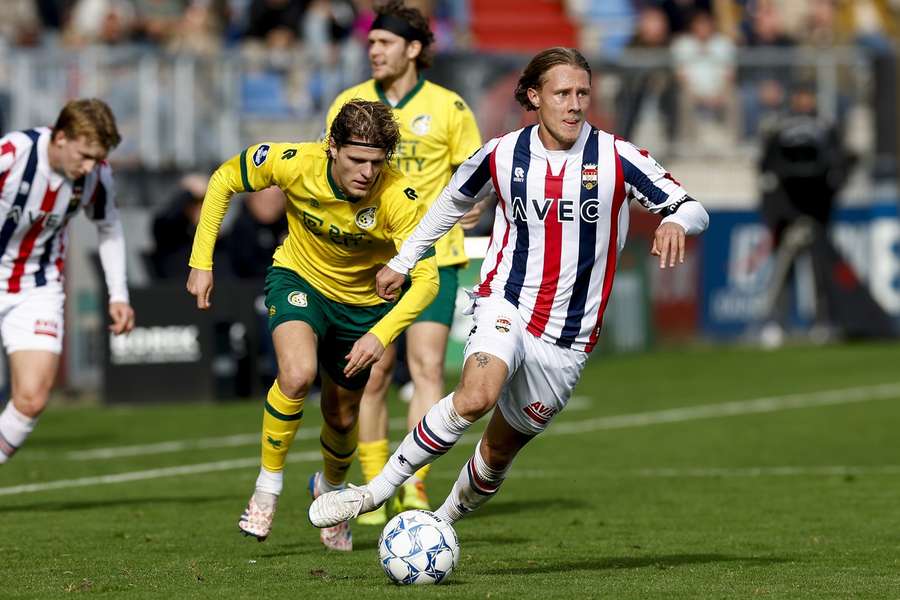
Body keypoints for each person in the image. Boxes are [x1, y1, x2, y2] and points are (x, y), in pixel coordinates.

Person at [309, 47, 709, 531]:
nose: (575, 104)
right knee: (475, 395)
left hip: (568, 339)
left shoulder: (618, 158)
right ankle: (374, 492)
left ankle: (441, 523)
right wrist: (403, 260)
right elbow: (448, 205)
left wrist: (676, 222)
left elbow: (692, 206)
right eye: (562, 93)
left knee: (497, 452)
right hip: (507, 302)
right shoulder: (502, 153)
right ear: (534, 96)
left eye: (583, 93)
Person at [186, 99, 438, 551]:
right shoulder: (293, 162)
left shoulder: (399, 197)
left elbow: (427, 280)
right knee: (297, 374)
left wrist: (380, 335)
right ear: (331, 148)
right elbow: (225, 178)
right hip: (298, 279)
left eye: (376, 163)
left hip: (362, 309)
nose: (366, 172)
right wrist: (201, 261)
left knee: (341, 417)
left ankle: (331, 491)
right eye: (356, 160)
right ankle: (266, 489)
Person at [324, 0, 482, 524]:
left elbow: (474, 178)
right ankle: (373, 485)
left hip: (438, 254)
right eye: (370, 43)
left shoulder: (450, 108)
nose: (373, 50)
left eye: (384, 43)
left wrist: (476, 206)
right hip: (371, 257)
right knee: (373, 373)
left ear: (413, 49)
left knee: (428, 367)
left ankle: (413, 484)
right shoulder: (349, 103)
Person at [0, 98, 135, 464]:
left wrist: (118, 295)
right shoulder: (13, 154)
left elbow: (108, 227)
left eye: (97, 158)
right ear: (60, 137)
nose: (90, 166)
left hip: (36, 287)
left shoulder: (96, 175)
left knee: (32, 398)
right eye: (84, 155)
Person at [757, 83, 853, 348]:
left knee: (820, 268)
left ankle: (822, 321)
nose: (804, 102)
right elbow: (767, 168)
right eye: (800, 97)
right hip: (785, 209)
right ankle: (776, 322)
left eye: (808, 97)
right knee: (782, 269)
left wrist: (829, 195)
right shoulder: (779, 127)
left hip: (816, 209)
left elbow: (838, 166)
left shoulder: (825, 127)